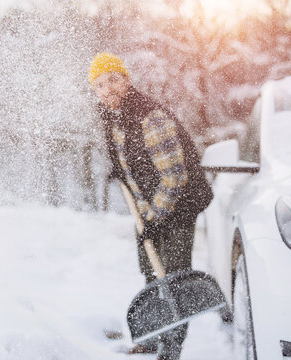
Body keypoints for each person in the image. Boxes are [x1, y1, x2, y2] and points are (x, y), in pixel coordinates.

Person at [88, 52, 213, 359]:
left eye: (114, 80)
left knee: (172, 278)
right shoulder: (113, 117)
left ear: (126, 80)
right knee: (151, 272)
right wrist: (122, 170)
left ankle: (170, 349)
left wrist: (155, 218)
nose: (108, 89)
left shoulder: (148, 116)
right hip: (149, 206)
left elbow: (173, 175)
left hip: (178, 203)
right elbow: (132, 158)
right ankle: (152, 339)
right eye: (100, 85)